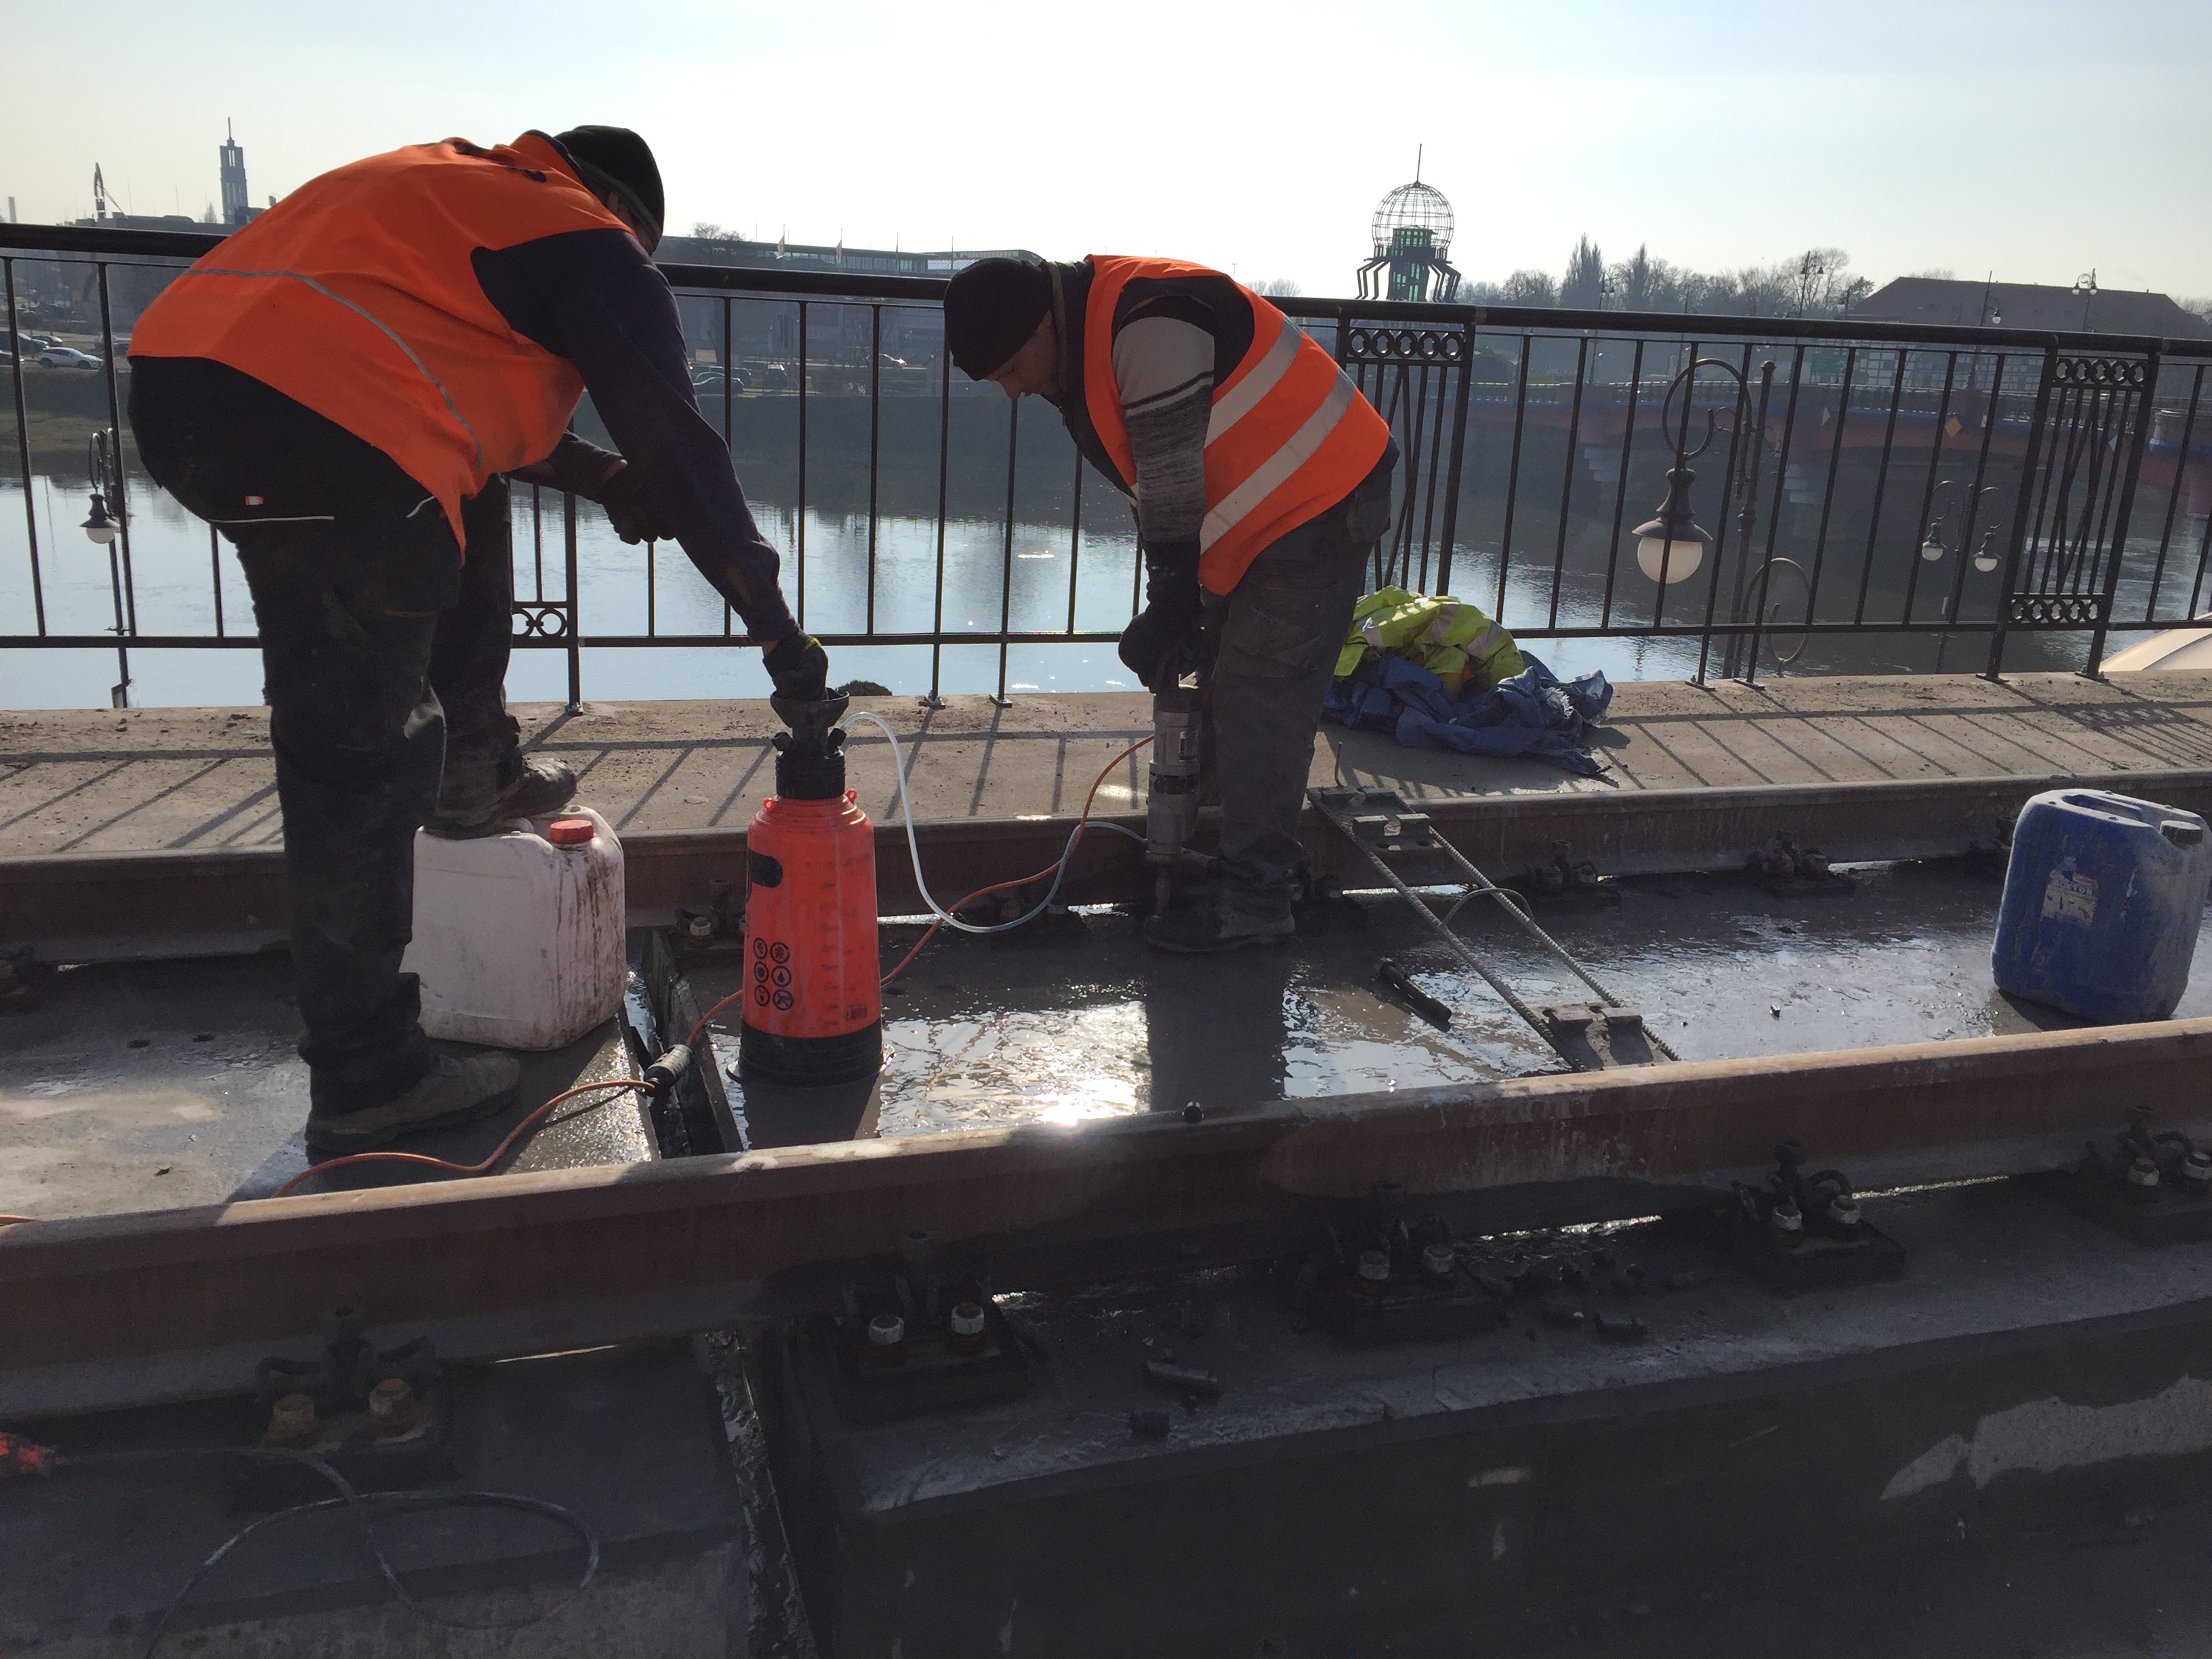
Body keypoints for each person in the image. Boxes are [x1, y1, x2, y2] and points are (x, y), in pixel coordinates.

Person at [127, 127, 830, 1153]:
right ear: (628, 218)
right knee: (359, 754)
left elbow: (455, 398)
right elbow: (682, 452)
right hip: (322, 423)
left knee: (460, 486)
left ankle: (473, 771)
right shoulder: (593, 241)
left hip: (187, 384)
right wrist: (783, 643)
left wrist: (603, 478)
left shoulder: (461, 187)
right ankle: (368, 1073)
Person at [943, 255, 1396, 953]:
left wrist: (1171, 602)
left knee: (1260, 699)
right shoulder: (1088, 343)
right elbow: (1155, 488)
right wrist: (1182, 605)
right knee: (1222, 683)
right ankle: (1205, 860)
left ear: (1043, 326)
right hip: (1271, 513)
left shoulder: (1148, 323)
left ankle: (1254, 905)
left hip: (1323, 495)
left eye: (1010, 369)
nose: (1011, 391)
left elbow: (1173, 480)